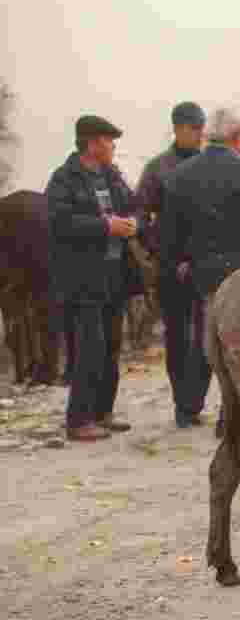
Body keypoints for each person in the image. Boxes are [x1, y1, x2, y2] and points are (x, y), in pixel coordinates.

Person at [160, 107, 240, 429]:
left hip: (199, 275)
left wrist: (179, 264)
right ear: (237, 137)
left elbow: (169, 235)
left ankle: (187, 409)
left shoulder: (179, 175)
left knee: (203, 342)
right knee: (237, 348)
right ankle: (231, 416)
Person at [45, 115, 145, 441]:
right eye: (108, 139)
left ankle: (103, 413)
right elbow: (60, 224)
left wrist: (133, 223)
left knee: (112, 348)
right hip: (82, 280)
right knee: (89, 347)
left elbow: (134, 205)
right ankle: (78, 420)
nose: (113, 145)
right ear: (92, 143)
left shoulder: (112, 176)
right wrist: (105, 227)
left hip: (114, 277)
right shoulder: (63, 180)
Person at [133, 101, 207, 427]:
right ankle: (183, 406)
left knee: (207, 336)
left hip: (206, 264)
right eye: (193, 128)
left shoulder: (212, 164)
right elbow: (140, 214)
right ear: (177, 128)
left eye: (202, 127)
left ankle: (196, 401)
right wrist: (156, 249)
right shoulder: (157, 169)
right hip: (170, 266)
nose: (199, 134)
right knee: (177, 337)